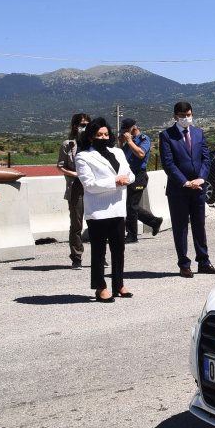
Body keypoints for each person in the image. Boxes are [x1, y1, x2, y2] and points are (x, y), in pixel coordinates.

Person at [158, 102, 215, 278]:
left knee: (199, 226)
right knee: (180, 228)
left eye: (188, 114)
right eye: (182, 115)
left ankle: (204, 262)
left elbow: (206, 158)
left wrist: (201, 178)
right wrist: (185, 182)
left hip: (199, 187)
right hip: (179, 190)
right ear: (175, 117)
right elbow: (168, 163)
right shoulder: (166, 136)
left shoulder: (198, 133)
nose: (186, 118)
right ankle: (184, 264)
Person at [76, 118, 134, 302]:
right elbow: (89, 184)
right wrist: (115, 182)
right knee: (99, 251)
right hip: (98, 211)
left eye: (106, 134)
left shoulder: (118, 152)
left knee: (119, 249)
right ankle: (100, 286)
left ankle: (119, 284)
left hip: (117, 207)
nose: (103, 137)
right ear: (91, 137)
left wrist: (126, 180)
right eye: (99, 134)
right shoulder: (83, 156)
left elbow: (129, 173)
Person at [118, 118, 163, 243]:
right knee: (130, 205)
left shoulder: (144, 139)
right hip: (128, 174)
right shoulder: (129, 142)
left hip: (139, 175)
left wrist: (129, 141)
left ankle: (132, 235)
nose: (125, 133)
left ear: (133, 128)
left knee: (131, 206)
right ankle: (154, 221)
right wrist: (121, 144)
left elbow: (141, 154)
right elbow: (121, 157)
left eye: (126, 130)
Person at [58, 113, 90, 269]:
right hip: (76, 187)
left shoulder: (93, 144)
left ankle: (100, 255)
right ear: (75, 126)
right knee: (76, 224)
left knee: (98, 223)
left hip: (93, 187)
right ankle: (76, 257)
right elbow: (60, 166)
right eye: (82, 124)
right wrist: (75, 174)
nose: (84, 127)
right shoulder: (68, 145)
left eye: (87, 124)